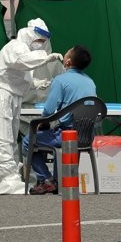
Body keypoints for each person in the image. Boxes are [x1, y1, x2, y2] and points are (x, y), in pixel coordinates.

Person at [0, 18, 64, 195]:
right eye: (39, 39)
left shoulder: (25, 50)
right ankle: (9, 179)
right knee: (1, 137)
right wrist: (46, 57)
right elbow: (21, 61)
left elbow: (17, 75)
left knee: (8, 138)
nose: (40, 44)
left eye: (43, 41)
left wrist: (35, 83)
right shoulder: (16, 46)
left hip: (11, 95)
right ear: (29, 33)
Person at [22, 45, 96, 195]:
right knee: (53, 137)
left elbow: (48, 110)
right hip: (86, 137)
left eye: (67, 51)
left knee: (27, 142)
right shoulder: (90, 81)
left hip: (66, 135)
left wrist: (42, 123)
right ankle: (56, 181)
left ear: (67, 61)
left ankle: (47, 180)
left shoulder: (61, 80)